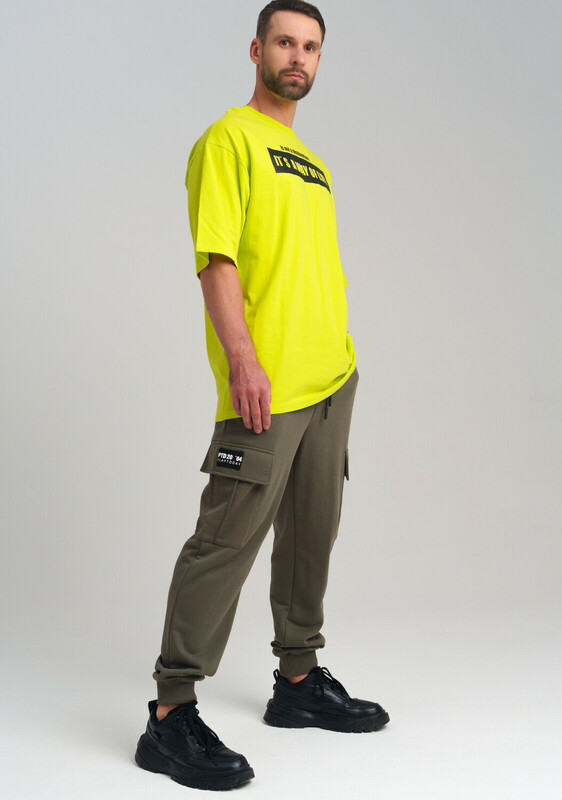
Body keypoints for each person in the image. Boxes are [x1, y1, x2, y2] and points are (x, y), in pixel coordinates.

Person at [134, 0, 389, 790]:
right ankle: (170, 714)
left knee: (312, 536)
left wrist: (344, 360)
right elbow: (216, 258)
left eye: (310, 46)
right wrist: (242, 359)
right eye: (285, 41)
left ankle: (299, 682)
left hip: (330, 379)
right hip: (266, 385)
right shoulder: (229, 139)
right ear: (256, 50)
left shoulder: (312, 161)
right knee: (225, 542)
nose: (297, 56)